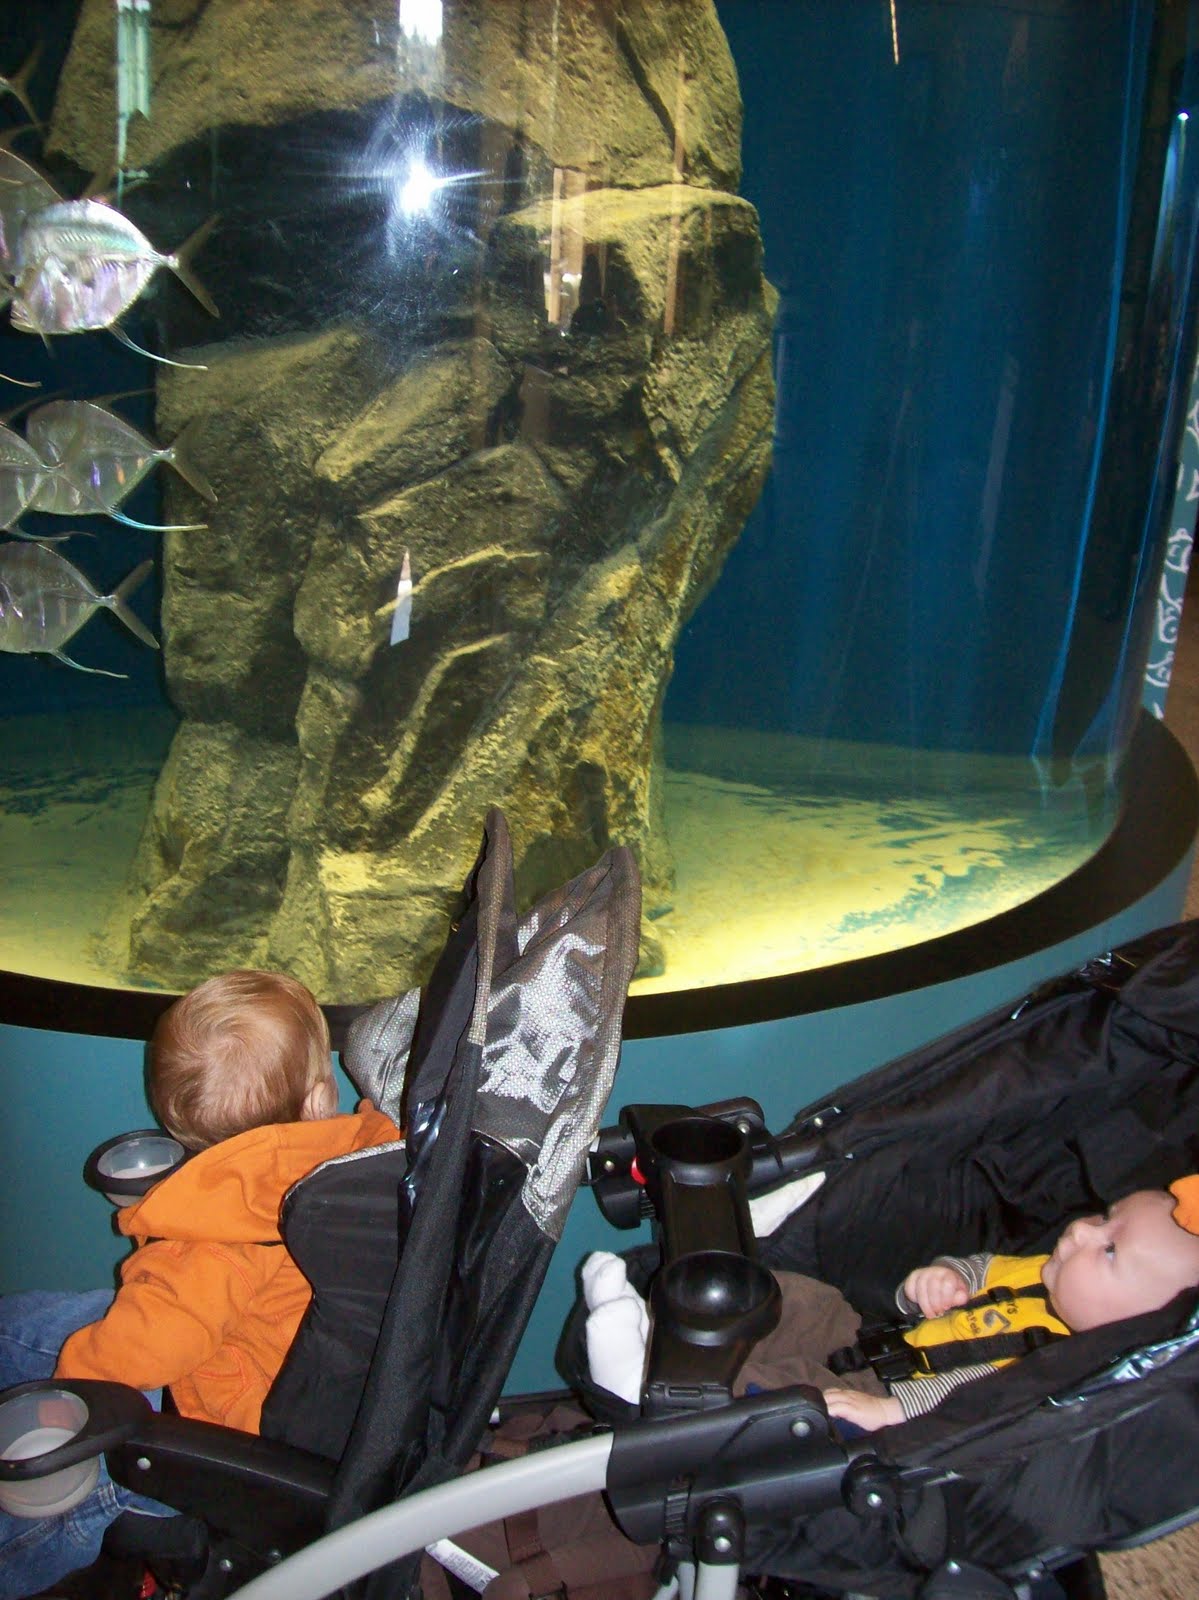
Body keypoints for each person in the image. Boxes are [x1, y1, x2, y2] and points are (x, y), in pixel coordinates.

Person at [0, 970, 402, 1600]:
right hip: (280, 1360)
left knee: (43, 1503)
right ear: (319, 1100)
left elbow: (146, 1350)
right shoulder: (360, 1149)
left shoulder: (214, 1242)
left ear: (181, 1124)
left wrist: (66, 1394)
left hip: (217, 1435)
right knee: (21, 1325)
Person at [584, 1176, 1199, 1433]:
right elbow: (978, 1268)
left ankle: (647, 1379)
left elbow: (969, 1403)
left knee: (790, 1389)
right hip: (876, 1338)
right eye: (1101, 1218)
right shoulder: (1042, 1271)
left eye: (1110, 1250)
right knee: (804, 1297)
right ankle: (664, 1319)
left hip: (885, 1405)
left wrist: (890, 1418)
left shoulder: (1071, 1368)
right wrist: (934, 1282)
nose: (1079, 1233)